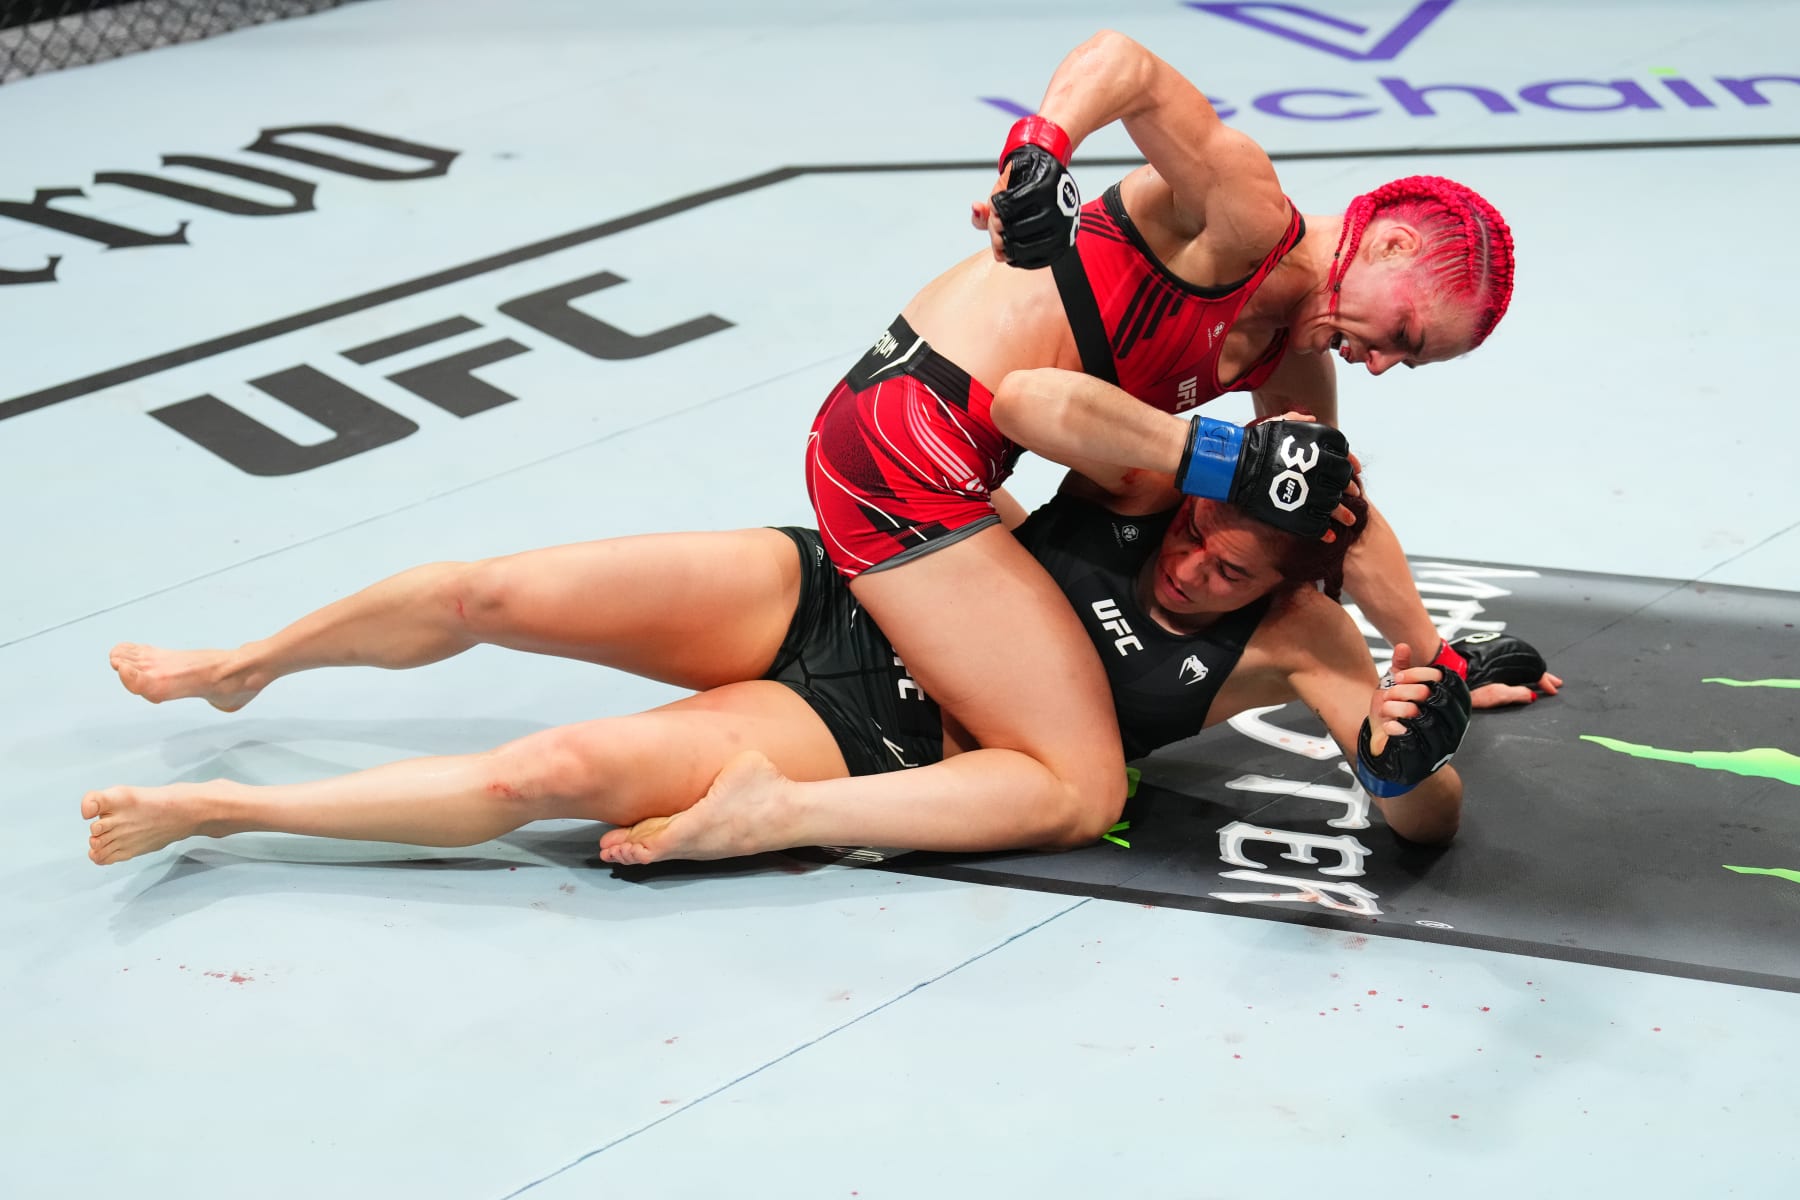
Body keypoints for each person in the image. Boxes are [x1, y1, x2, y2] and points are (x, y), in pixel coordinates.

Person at [85, 430, 1555, 868]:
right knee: (486, 592)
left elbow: (1418, 807)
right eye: (1193, 528)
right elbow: (1043, 388)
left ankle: (224, 812)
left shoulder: (1298, 638)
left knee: (560, 768)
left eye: (1224, 564)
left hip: (880, 737)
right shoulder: (1153, 477)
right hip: (834, 600)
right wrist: (1213, 447)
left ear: (1295, 573)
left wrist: (1415, 763)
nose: (1189, 557)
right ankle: (249, 663)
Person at [791, 28, 1520, 873]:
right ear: (1392, 243)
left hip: (948, 461)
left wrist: (1438, 667)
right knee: (1073, 783)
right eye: (1404, 333)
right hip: (908, 448)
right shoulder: (1247, 214)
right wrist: (1040, 150)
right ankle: (785, 811)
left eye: (1410, 361)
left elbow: (1338, 516)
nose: (1385, 362)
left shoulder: (1297, 358)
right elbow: (1125, 62)